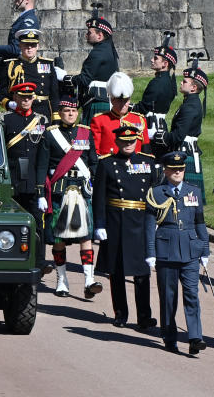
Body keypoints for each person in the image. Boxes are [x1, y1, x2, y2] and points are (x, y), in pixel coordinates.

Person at [93, 124, 159, 329]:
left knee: (142, 272)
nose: (128, 144)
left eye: (131, 141)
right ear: (117, 142)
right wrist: (100, 223)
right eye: (124, 142)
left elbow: (154, 195)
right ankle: (120, 313)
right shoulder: (107, 163)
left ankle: (144, 316)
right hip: (116, 222)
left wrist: (155, 221)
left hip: (139, 221)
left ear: (137, 141)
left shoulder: (147, 162)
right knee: (117, 271)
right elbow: (99, 197)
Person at [145, 151, 210, 355]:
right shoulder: (156, 193)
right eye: (174, 170)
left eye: (181, 169)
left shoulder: (194, 191)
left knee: (192, 294)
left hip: (190, 250)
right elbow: (148, 226)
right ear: (165, 171)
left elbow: (200, 222)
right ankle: (169, 336)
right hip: (166, 250)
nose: (178, 173)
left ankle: (195, 337)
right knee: (168, 297)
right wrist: (150, 252)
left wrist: (205, 250)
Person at [44, 89, 101, 298]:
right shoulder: (50, 134)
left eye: (74, 111)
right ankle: (62, 279)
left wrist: (95, 184)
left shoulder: (86, 132)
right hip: (60, 190)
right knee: (59, 237)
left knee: (86, 236)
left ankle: (89, 279)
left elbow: (93, 162)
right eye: (67, 111)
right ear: (59, 112)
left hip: (81, 190)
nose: (71, 114)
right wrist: (43, 192)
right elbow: (43, 165)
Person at [2, 82, 51, 273]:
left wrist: (41, 187)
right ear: (15, 98)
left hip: (33, 182)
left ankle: (39, 262)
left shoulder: (41, 121)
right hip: (12, 181)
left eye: (29, 97)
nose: (26, 100)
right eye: (22, 97)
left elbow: (43, 156)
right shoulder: (6, 120)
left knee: (38, 225)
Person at [151, 56, 208, 197]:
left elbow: (178, 136)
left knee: (185, 199)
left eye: (185, 81)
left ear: (194, 88)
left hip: (184, 153)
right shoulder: (190, 103)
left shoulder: (190, 106)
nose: (181, 83)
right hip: (186, 152)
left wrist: (157, 135)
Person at [58, 3, 119, 123]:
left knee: (89, 139)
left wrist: (64, 77)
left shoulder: (98, 53)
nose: (86, 35)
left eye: (89, 32)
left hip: (96, 102)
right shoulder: (107, 50)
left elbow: (85, 79)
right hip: (102, 100)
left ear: (100, 35)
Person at [0, 29, 59, 122]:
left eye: (33, 45)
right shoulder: (11, 65)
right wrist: (10, 104)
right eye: (26, 45)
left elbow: (54, 94)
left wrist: (56, 117)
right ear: (20, 45)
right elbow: (0, 96)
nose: (29, 48)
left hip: (42, 112)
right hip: (19, 112)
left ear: (38, 46)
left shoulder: (47, 65)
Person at [0, 0, 41, 80]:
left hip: (20, 68)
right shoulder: (23, 18)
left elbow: (17, 49)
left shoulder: (29, 21)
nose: (16, 1)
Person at [90, 72, 148, 157]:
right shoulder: (99, 120)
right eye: (119, 100)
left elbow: (146, 150)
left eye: (126, 100)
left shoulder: (139, 119)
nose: (123, 104)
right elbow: (95, 151)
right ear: (112, 100)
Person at [132, 31, 177, 138]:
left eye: (156, 58)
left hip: (150, 128)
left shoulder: (157, 83)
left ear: (165, 64)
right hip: (162, 127)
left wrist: (122, 105)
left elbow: (143, 108)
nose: (152, 60)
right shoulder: (169, 82)